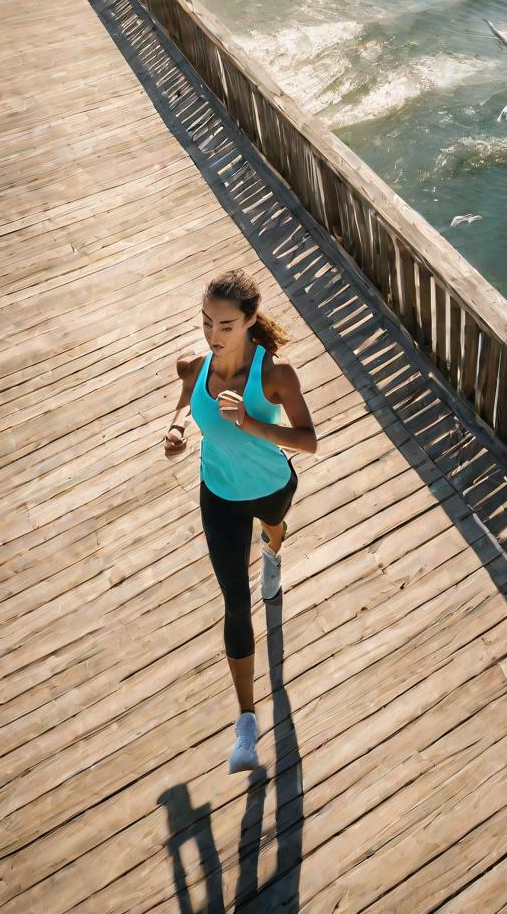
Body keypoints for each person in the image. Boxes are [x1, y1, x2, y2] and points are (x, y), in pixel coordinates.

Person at [164, 268, 317, 773]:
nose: (214, 335)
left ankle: (275, 551)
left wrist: (248, 423)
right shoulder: (193, 366)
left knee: (274, 532)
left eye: (226, 325)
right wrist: (177, 428)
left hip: (273, 486)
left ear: (250, 321)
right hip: (220, 496)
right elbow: (188, 399)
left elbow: (308, 441)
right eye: (207, 321)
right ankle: (247, 722)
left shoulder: (276, 375)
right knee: (235, 599)